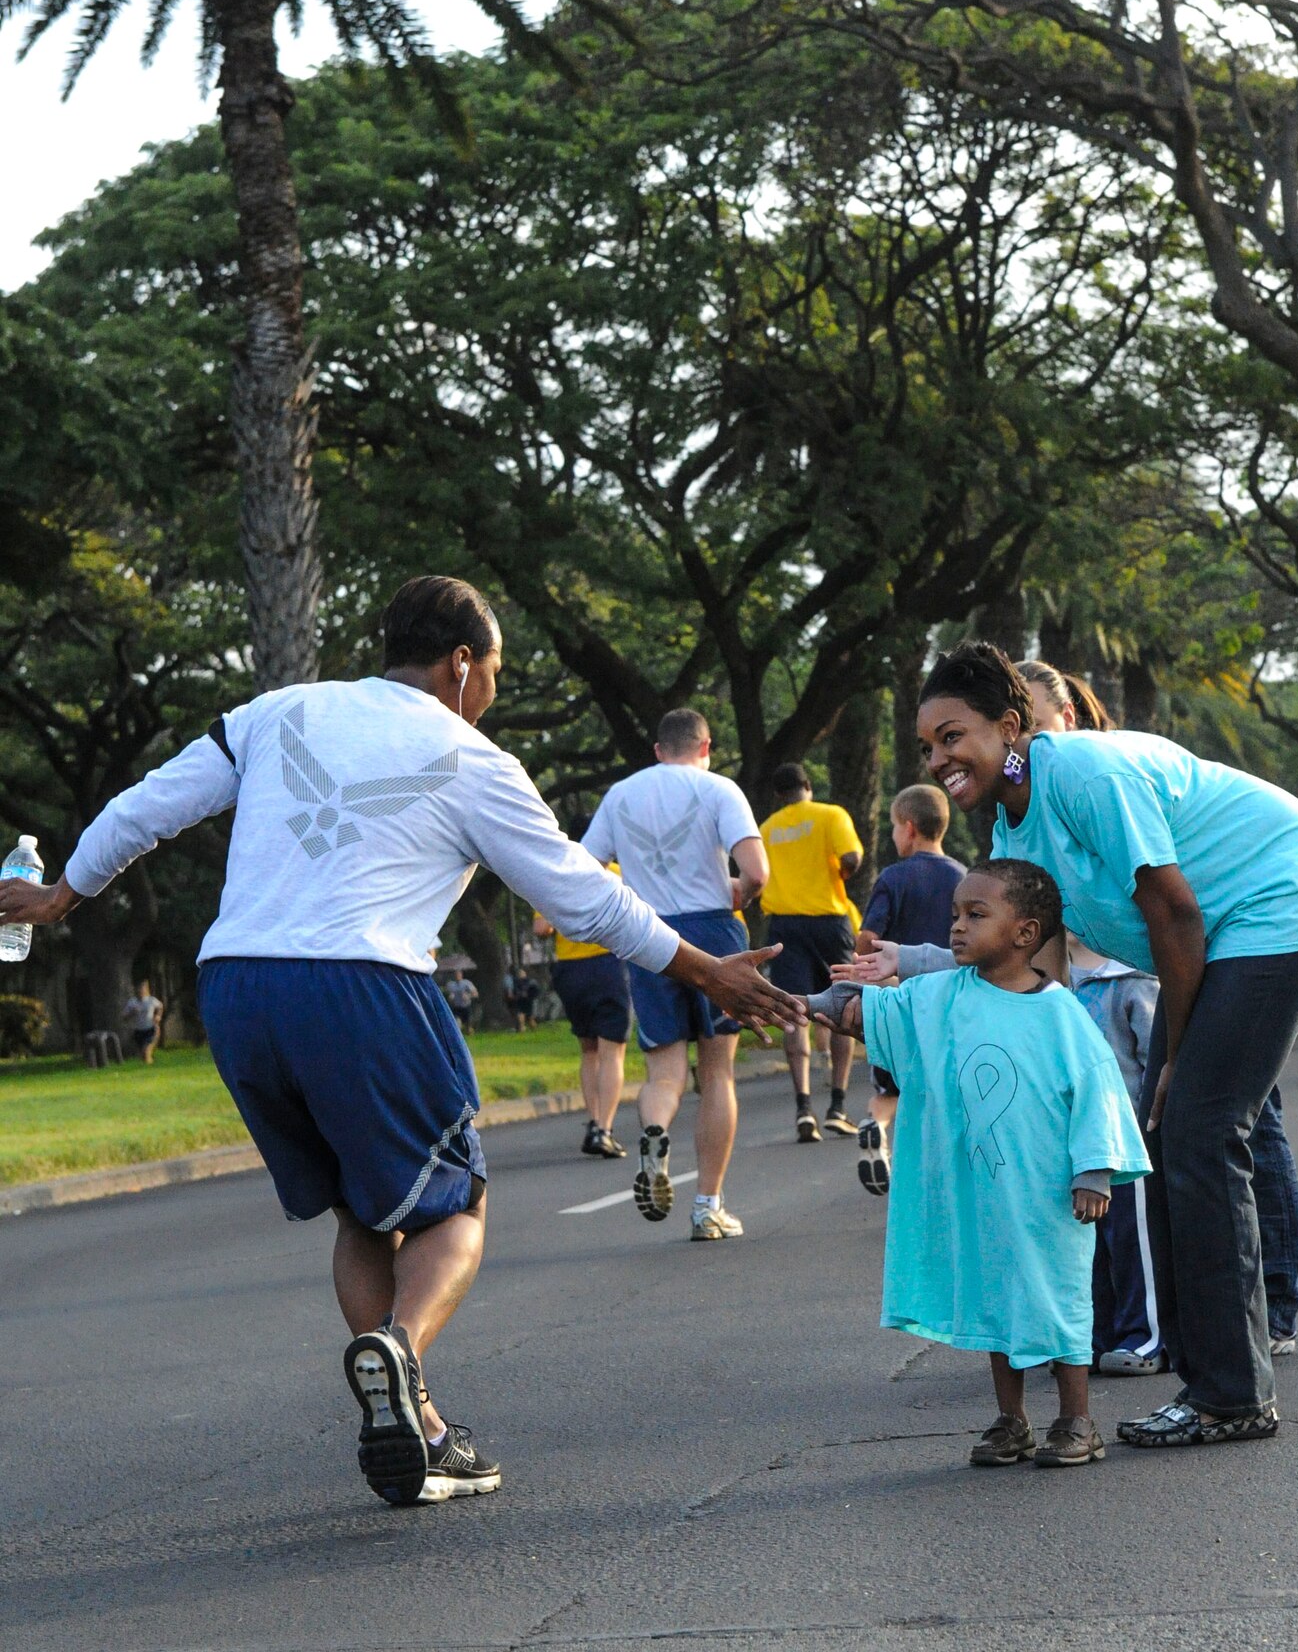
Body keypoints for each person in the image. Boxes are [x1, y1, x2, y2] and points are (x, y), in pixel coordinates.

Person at [0, 577, 801, 1508]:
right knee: (455, 1205)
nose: (493, 691)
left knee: (359, 1210)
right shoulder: (474, 759)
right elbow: (586, 895)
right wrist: (711, 970)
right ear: (462, 663)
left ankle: (415, 1430)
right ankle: (402, 1351)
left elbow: (150, 805)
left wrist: (64, 895)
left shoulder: (274, 712)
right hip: (365, 984)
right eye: (493, 671)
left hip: (237, 990)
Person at [906, 641, 1298, 1447]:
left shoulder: (1083, 774)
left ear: (1010, 727)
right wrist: (900, 1001)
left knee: (1200, 1127)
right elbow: (1030, 973)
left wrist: (1173, 1059)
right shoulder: (1012, 838)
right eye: (928, 747)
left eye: (952, 737)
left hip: (1286, 899)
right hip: (1226, 934)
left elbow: (1174, 912)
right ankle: (1211, 1378)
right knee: (1169, 1138)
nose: (940, 759)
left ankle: (1232, 1394)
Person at [814, 860, 1150, 1468]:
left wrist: (1094, 1171)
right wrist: (794, 1003)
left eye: (976, 915)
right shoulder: (941, 994)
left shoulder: (1059, 1013)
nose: (957, 928)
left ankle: (1077, 1419)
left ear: (1024, 933)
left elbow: (1097, 1088)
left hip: (1047, 1193)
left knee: (1056, 1295)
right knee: (996, 1296)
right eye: (955, 916)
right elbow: (865, 1010)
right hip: (982, 1191)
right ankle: (1012, 1421)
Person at [582, 708, 772, 1239]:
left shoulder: (620, 795)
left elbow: (585, 867)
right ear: (706, 746)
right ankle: (707, 1205)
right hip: (714, 931)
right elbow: (756, 870)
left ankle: (653, 1133)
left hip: (647, 937)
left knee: (664, 1072)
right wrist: (741, 893)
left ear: (658, 748)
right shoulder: (718, 789)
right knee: (717, 1072)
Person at [852, 783, 965, 1194]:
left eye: (894, 826)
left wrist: (857, 970)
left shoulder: (894, 878)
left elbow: (870, 935)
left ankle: (874, 1125)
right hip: (949, 1001)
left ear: (910, 828)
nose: (894, 835)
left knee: (891, 1086)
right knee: (938, 1089)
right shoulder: (963, 877)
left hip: (899, 998)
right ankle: (934, 1176)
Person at [758, 761, 863, 1143]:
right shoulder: (830, 815)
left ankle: (803, 1109)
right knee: (841, 1005)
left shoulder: (766, 830)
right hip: (828, 921)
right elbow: (851, 859)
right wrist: (839, 873)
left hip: (784, 926)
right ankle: (837, 1105)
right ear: (808, 785)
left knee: (793, 1011)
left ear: (778, 795)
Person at [533, 875, 634, 1158]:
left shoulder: (554, 875)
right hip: (608, 963)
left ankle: (593, 1123)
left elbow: (542, 927)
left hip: (570, 970)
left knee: (589, 1050)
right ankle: (605, 1130)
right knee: (612, 1051)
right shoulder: (616, 872)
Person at [121, 983, 164, 1063]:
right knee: (143, 1055)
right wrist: (132, 1013)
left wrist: (158, 1015)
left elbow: (160, 1006)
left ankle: (149, 1066)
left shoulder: (151, 1000)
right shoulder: (132, 1002)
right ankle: (150, 1067)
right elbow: (124, 1017)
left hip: (150, 1029)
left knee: (146, 1050)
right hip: (138, 1030)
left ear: (146, 991)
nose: (140, 992)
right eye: (138, 990)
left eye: (142, 990)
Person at [439, 965, 478, 1037]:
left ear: (461, 975)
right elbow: (444, 993)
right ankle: (458, 1036)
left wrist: (468, 996)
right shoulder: (451, 985)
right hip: (456, 1007)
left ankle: (470, 1033)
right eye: (456, 974)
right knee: (457, 1024)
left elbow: (475, 993)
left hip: (466, 1007)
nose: (457, 976)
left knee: (468, 1028)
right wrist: (449, 996)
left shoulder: (467, 983)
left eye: (459, 974)